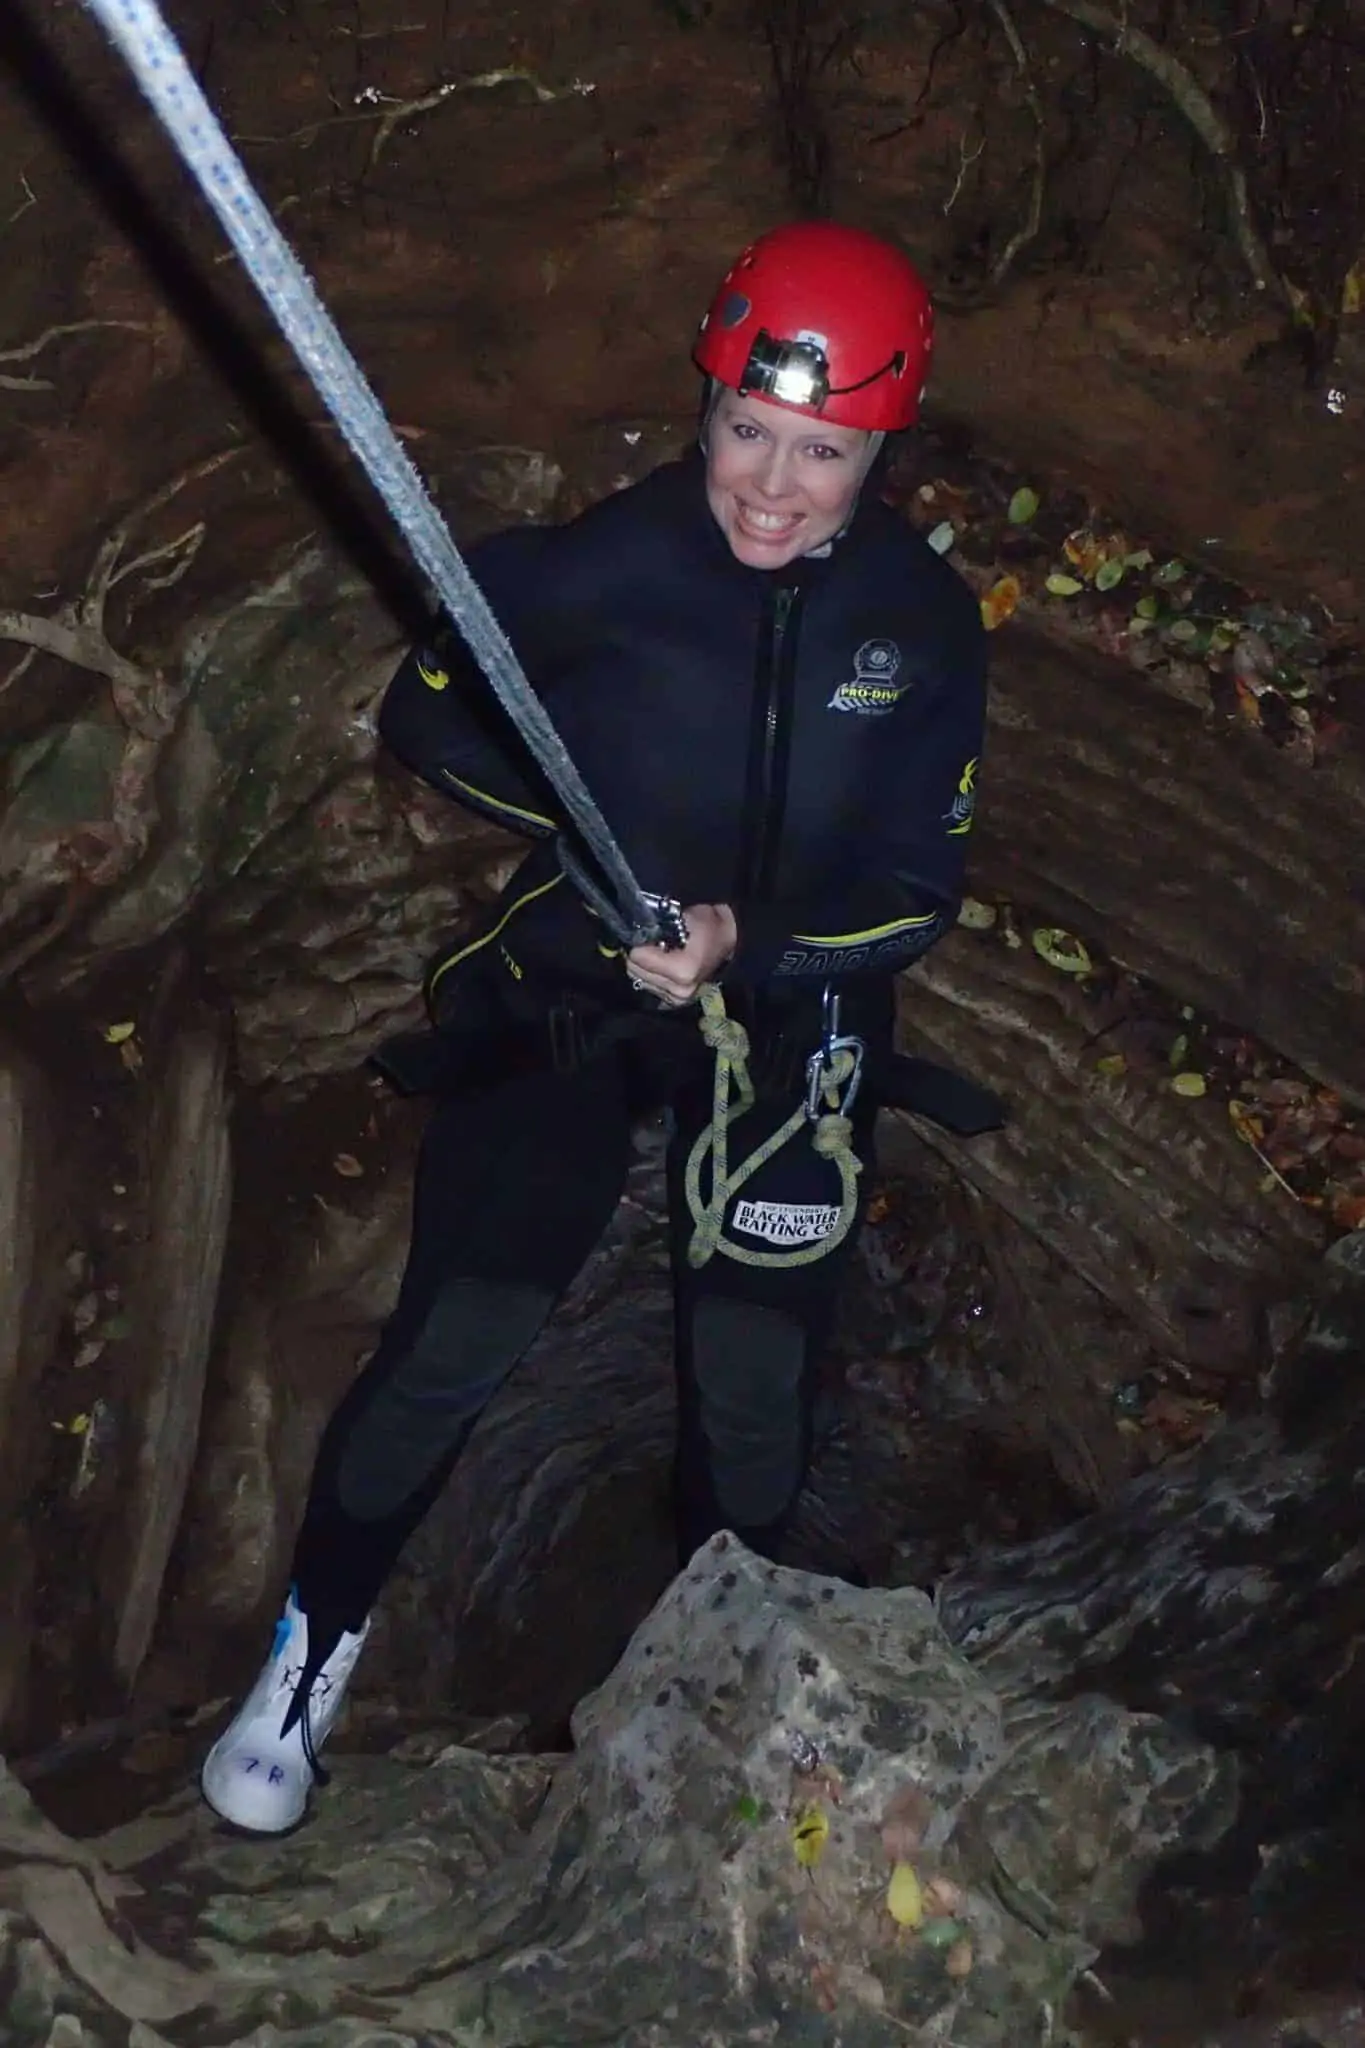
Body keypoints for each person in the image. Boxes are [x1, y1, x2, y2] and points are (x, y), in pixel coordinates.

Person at [201, 220, 988, 1834]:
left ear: (882, 445)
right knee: (455, 1338)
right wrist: (593, 851)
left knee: (755, 1390)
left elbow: (916, 888)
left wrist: (742, 940)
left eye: (824, 450)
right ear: (704, 401)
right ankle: (314, 1644)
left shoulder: (919, 629)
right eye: (747, 428)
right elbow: (427, 714)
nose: (771, 481)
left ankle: (742, 1681)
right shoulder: (606, 568)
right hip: (578, 981)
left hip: (794, 1006)